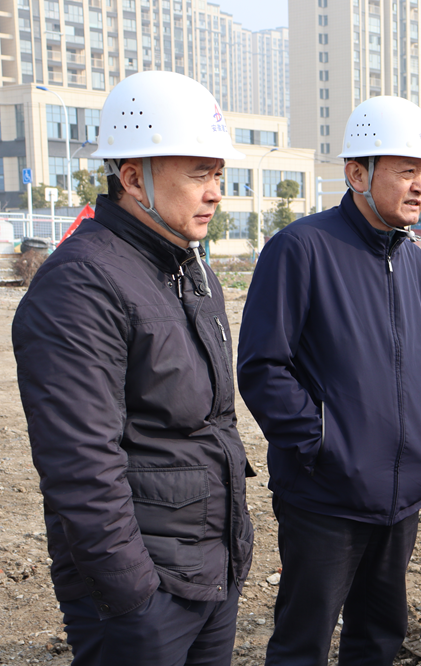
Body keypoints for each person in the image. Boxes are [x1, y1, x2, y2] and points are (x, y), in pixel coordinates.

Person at [12, 71, 254, 665]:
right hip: (142, 596)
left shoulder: (190, 270)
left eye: (218, 174)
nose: (215, 193)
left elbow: (212, 423)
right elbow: (81, 468)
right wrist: (135, 598)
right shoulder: (80, 285)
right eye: (198, 174)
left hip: (210, 570)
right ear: (133, 178)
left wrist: (231, 556)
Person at [237, 96, 421, 666]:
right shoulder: (301, 249)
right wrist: (323, 444)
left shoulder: (413, 260)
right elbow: (262, 367)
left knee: (379, 637)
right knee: (303, 642)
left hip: (401, 495)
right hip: (326, 497)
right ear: (357, 174)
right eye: (406, 171)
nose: (420, 186)